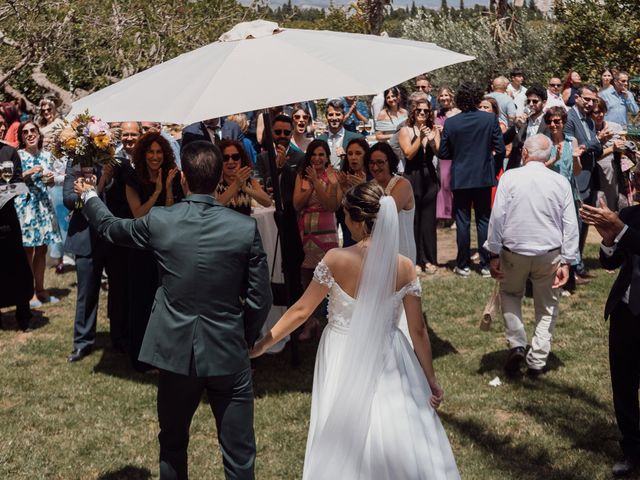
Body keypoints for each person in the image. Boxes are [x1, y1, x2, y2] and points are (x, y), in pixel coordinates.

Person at [74, 140, 271, 480]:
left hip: (177, 351)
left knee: (173, 444)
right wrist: (246, 337)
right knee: (239, 454)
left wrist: (89, 196)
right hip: (228, 349)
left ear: (182, 179)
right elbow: (259, 297)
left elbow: (111, 228)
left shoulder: (161, 220)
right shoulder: (244, 228)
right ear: (216, 180)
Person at [251, 182, 460, 480]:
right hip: (391, 351)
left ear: (358, 221)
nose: (344, 221)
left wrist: (263, 343)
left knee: (341, 424)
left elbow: (300, 311)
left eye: (346, 216)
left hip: (341, 350)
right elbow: (418, 330)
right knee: (393, 422)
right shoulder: (404, 266)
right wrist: (429, 378)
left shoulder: (336, 259)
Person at [486, 134, 579, 376]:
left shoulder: (510, 177)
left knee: (510, 294)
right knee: (547, 306)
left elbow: (497, 217)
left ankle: (517, 342)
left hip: (514, 250)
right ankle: (537, 358)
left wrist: (493, 251)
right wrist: (568, 260)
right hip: (548, 252)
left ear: (525, 154)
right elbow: (570, 223)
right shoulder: (560, 182)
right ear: (548, 158)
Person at [579, 200, 640, 477]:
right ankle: (632, 450)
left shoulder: (625, 222)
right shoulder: (630, 214)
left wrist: (622, 231)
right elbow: (610, 261)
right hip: (627, 310)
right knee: (623, 385)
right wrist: (608, 240)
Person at [125, 132, 183, 371]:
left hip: (165, 247)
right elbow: (138, 214)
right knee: (142, 302)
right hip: (141, 248)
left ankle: (164, 354)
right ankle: (140, 358)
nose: (155, 156)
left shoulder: (173, 176)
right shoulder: (132, 179)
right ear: (143, 154)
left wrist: (167, 189)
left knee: (165, 303)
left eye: (159, 152)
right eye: (151, 152)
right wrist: (157, 192)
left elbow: (170, 212)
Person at [438, 83, 506, 277]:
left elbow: (443, 152)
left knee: (463, 221)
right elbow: (500, 149)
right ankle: (485, 264)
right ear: (478, 99)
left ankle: (463, 263)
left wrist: (458, 153)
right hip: (483, 176)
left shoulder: (451, 123)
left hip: (461, 177)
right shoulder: (489, 119)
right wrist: (491, 168)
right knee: (484, 221)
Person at [293, 139, 341, 340]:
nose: (317, 158)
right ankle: (310, 321)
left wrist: (318, 183)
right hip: (306, 234)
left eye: (321, 154)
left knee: (330, 277)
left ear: (327, 157)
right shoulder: (301, 176)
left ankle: (332, 320)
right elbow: (297, 204)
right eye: (314, 154)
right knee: (307, 276)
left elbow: (331, 204)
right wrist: (310, 183)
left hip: (327, 232)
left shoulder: (333, 176)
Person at [15, 121, 61, 307]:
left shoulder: (47, 156)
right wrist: (28, 172)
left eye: (33, 130)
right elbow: (11, 179)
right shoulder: (18, 156)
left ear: (39, 134)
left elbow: (52, 181)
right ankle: (29, 292)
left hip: (43, 207)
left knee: (42, 249)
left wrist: (51, 180)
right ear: (22, 137)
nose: (30, 134)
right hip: (26, 207)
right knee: (28, 250)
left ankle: (41, 289)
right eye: (25, 132)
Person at [399, 98, 440, 275]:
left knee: (428, 220)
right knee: (413, 220)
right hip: (412, 176)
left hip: (429, 176)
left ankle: (430, 259)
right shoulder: (405, 130)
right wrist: (420, 137)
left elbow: (439, 152)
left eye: (426, 111)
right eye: (419, 111)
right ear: (413, 113)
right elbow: (408, 154)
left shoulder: (434, 129)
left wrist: (431, 140)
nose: (422, 113)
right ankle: (414, 260)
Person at [0, 141, 34, 331]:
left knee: (18, 266)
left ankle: (24, 315)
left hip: (7, 217)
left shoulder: (9, 152)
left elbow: (18, 181)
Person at [592, 97, 632, 213]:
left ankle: (614, 209)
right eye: (596, 112)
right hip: (596, 164)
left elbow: (623, 149)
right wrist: (607, 145)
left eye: (602, 111)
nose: (599, 115)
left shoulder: (615, 127)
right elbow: (591, 155)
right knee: (606, 165)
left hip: (616, 163)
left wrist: (623, 145)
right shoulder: (587, 129)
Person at [216, 139, 271, 215]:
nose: (231, 161)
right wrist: (236, 184)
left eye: (235, 157)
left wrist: (246, 189)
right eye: (225, 158)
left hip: (246, 226)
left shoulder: (250, 181)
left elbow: (267, 203)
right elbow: (214, 207)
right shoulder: (215, 183)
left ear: (241, 159)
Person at [502, 84, 550, 171]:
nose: (531, 104)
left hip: (538, 169)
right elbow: (504, 140)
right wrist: (516, 126)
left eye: (535, 101)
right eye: (528, 101)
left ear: (544, 102)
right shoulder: (522, 121)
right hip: (517, 167)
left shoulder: (549, 123)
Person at [336, 137, 370, 247]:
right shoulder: (344, 178)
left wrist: (363, 187)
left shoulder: (374, 178)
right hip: (349, 235)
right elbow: (335, 207)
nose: (353, 157)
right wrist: (343, 189)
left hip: (370, 236)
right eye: (350, 154)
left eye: (358, 153)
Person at [434, 87, 459, 224]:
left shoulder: (458, 113)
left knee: (454, 184)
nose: (444, 98)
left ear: (451, 96)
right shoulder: (437, 114)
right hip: (443, 153)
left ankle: (456, 217)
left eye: (446, 95)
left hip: (456, 152)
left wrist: (446, 130)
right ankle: (445, 216)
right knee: (444, 183)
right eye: (441, 96)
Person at [317, 99, 362, 169]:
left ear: (343, 116)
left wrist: (346, 157)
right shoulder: (319, 140)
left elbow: (364, 165)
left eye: (338, 114)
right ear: (326, 116)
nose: (334, 118)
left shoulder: (357, 139)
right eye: (331, 115)